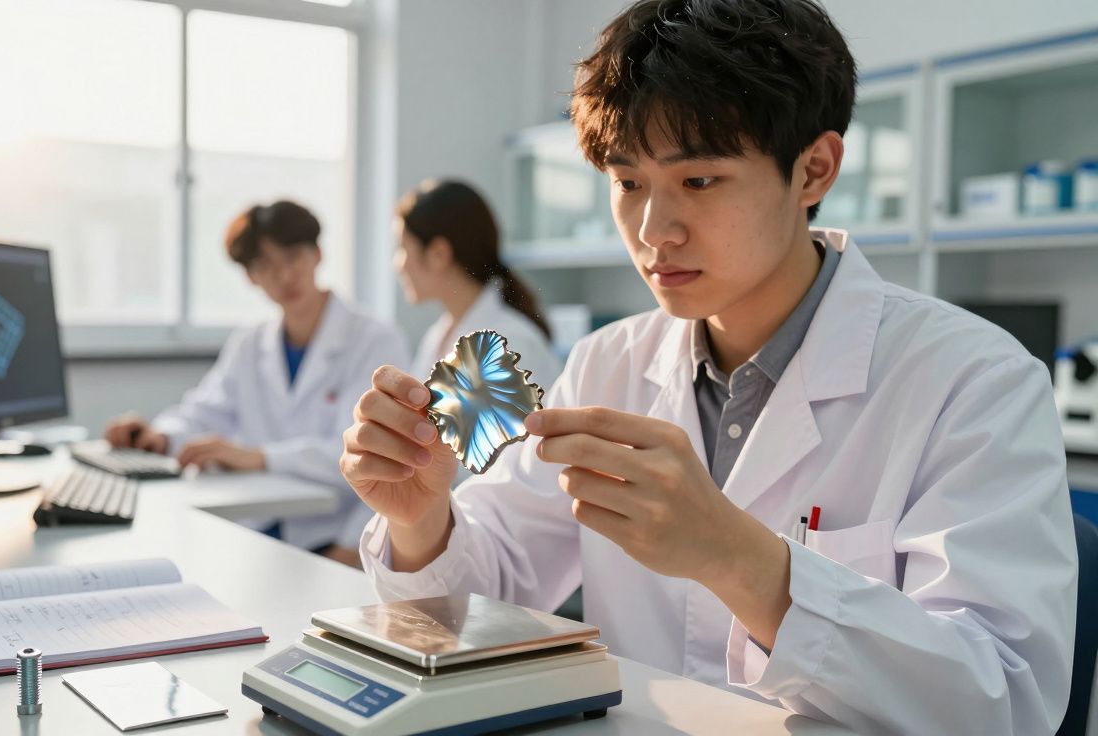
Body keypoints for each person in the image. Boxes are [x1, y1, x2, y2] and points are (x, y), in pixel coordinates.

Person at [338, 1, 1078, 734]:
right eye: (629, 184)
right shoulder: (609, 364)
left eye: (698, 182)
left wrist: (743, 560)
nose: (655, 232)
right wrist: (421, 518)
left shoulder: (975, 382)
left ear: (814, 170)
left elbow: (1002, 700)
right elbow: (486, 588)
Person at [107, 200, 407, 564]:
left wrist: (258, 457)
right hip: (259, 534)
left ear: (317, 254)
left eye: (293, 256)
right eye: (265, 265)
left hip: (341, 537)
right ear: (250, 276)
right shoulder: (249, 345)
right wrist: (160, 435)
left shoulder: (374, 340)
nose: (284, 276)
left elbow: (367, 453)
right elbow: (203, 411)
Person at [394, 179, 560, 385]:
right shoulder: (438, 336)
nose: (398, 265)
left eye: (402, 248)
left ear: (439, 254)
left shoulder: (510, 343)